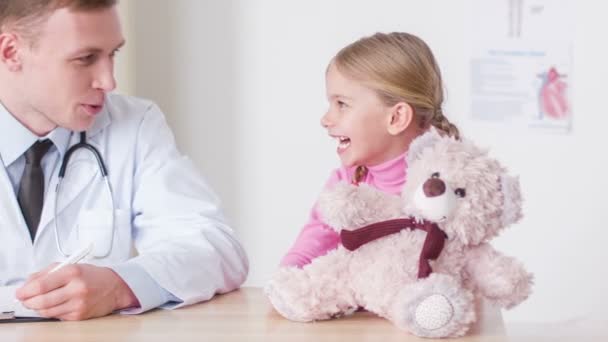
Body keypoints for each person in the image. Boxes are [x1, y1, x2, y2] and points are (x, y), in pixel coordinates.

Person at [0, 0, 248, 320]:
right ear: (10, 51)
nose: (108, 81)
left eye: (112, 54)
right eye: (85, 58)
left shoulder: (134, 124)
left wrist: (120, 286)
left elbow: (216, 249)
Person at [281, 32, 460, 268]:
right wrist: (284, 280)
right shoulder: (345, 184)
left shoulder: (446, 187)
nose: (325, 119)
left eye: (341, 104)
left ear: (396, 117)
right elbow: (309, 248)